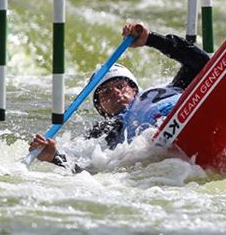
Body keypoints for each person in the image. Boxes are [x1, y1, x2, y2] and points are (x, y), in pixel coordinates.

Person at [28, 22, 210, 167]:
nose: (114, 92)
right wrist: (53, 156)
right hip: (165, 136)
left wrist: (151, 39)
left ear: (134, 89)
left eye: (121, 86)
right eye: (105, 92)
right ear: (100, 107)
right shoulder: (107, 130)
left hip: (194, 110)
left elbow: (203, 64)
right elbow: (84, 166)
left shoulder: (169, 88)